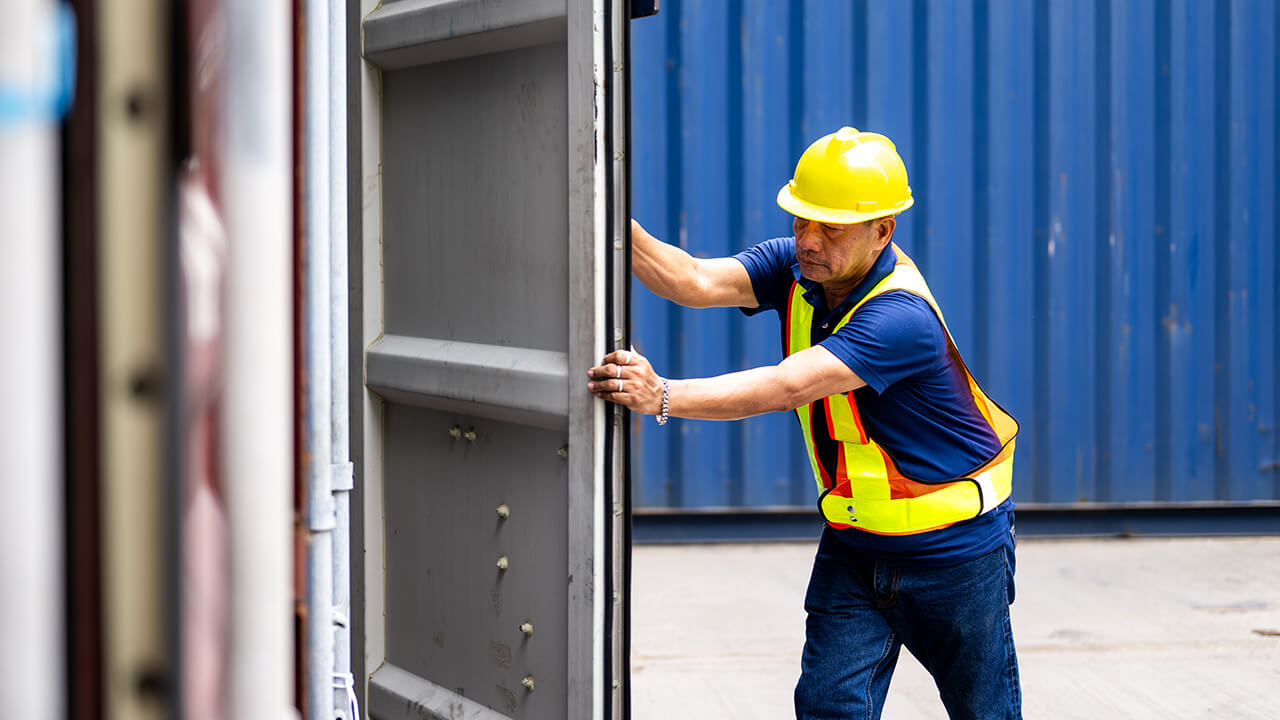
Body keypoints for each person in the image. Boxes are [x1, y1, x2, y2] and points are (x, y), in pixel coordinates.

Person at [587, 127, 1022, 720]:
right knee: (826, 708)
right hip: (855, 546)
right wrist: (610, 213)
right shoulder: (799, 267)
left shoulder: (901, 318)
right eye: (800, 221)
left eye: (829, 228)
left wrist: (661, 394)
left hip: (955, 555)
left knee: (985, 711)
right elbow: (692, 279)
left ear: (882, 231)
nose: (807, 241)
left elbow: (787, 384)